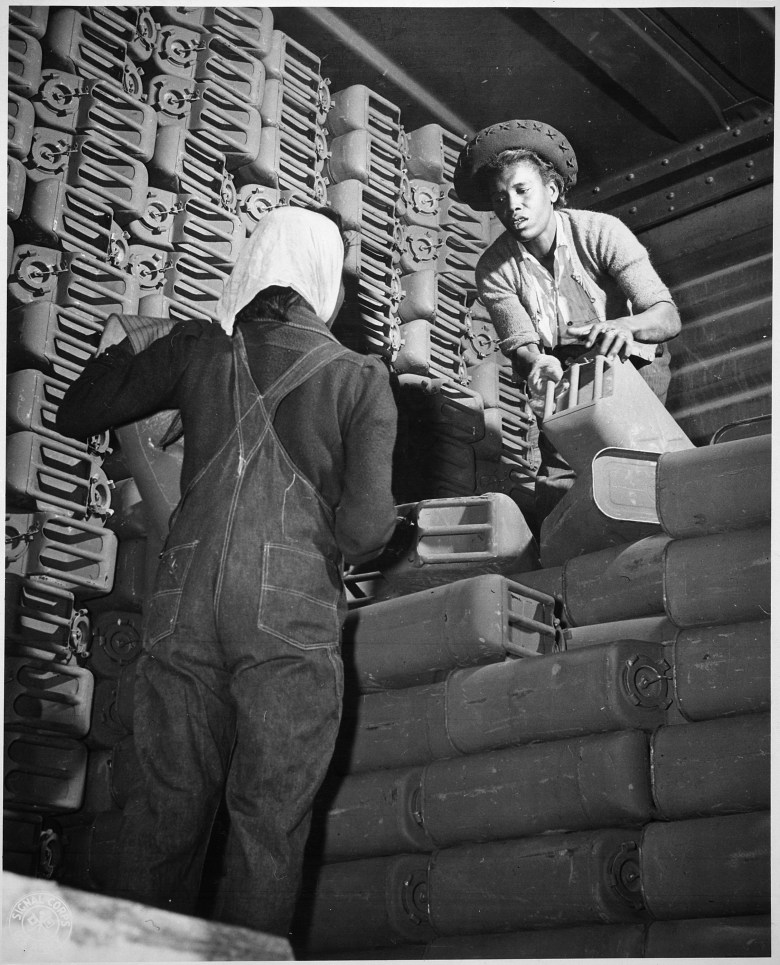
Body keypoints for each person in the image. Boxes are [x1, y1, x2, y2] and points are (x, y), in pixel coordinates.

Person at [56, 206, 398, 935]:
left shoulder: (198, 349)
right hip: (287, 607)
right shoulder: (359, 377)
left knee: (160, 811)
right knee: (266, 828)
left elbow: (76, 412)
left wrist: (129, 340)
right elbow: (366, 529)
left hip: (183, 598)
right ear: (324, 279)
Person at [453, 119, 681, 524]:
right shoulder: (493, 267)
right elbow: (521, 342)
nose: (512, 206)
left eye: (522, 191)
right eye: (501, 198)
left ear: (552, 191)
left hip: (635, 362)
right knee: (562, 481)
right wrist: (537, 363)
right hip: (566, 371)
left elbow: (666, 316)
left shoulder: (601, 232)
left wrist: (623, 328)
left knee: (640, 461)